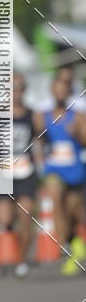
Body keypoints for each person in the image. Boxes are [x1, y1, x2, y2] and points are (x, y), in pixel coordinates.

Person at [34, 66, 86, 276]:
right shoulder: (43, 116)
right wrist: (40, 161)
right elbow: (37, 140)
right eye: (56, 90)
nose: (59, 94)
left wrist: (77, 134)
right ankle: (64, 246)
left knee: (74, 211)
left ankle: (74, 240)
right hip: (54, 168)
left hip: (74, 167)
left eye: (63, 90)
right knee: (56, 201)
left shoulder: (78, 115)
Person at [0, 74, 43, 277]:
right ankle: (6, 252)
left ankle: (21, 260)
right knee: (4, 219)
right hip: (2, 173)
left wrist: (41, 169)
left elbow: (40, 141)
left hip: (25, 171)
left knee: (26, 216)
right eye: (12, 87)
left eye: (20, 87)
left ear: (25, 90)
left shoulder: (33, 115)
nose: (16, 91)